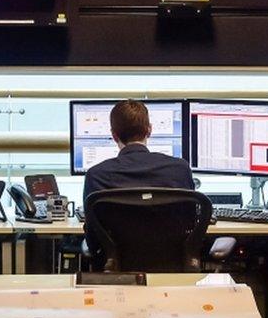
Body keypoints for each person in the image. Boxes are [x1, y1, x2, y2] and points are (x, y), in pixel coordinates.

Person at [81, 100, 195, 253]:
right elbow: (191, 224)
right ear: (149, 130)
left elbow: (93, 242)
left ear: (114, 135)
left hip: (117, 271)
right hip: (172, 268)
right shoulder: (180, 169)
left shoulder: (96, 175)